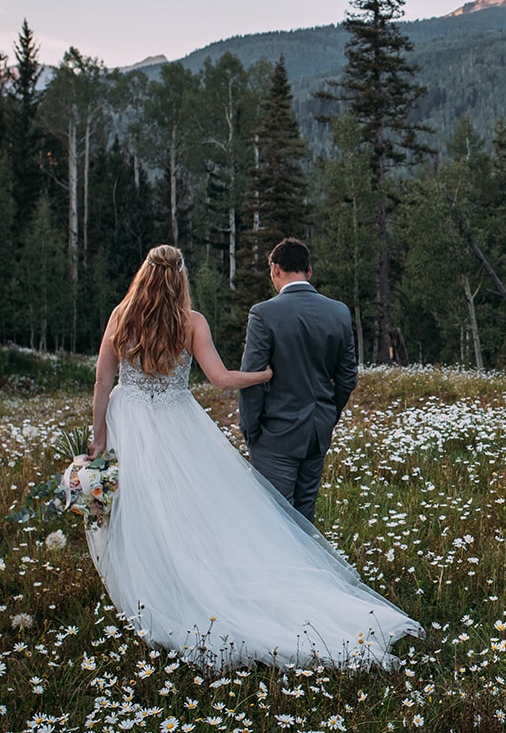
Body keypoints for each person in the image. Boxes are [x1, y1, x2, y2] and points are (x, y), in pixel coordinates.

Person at [88, 243, 420, 670]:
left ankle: (153, 589)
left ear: (144, 274)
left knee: (139, 510)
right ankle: (205, 582)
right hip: (177, 422)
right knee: (189, 512)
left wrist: (99, 438)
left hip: (128, 422)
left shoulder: (121, 315)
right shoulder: (191, 322)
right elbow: (222, 379)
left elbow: (102, 381)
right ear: (181, 278)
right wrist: (261, 375)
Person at [238, 237, 355, 523]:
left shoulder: (263, 313)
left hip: (275, 433)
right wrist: (328, 415)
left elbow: (252, 378)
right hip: (317, 432)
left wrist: (250, 430)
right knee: (304, 518)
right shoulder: (339, 311)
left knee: (274, 520)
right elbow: (347, 377)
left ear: (275, 269)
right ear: (309, 271)